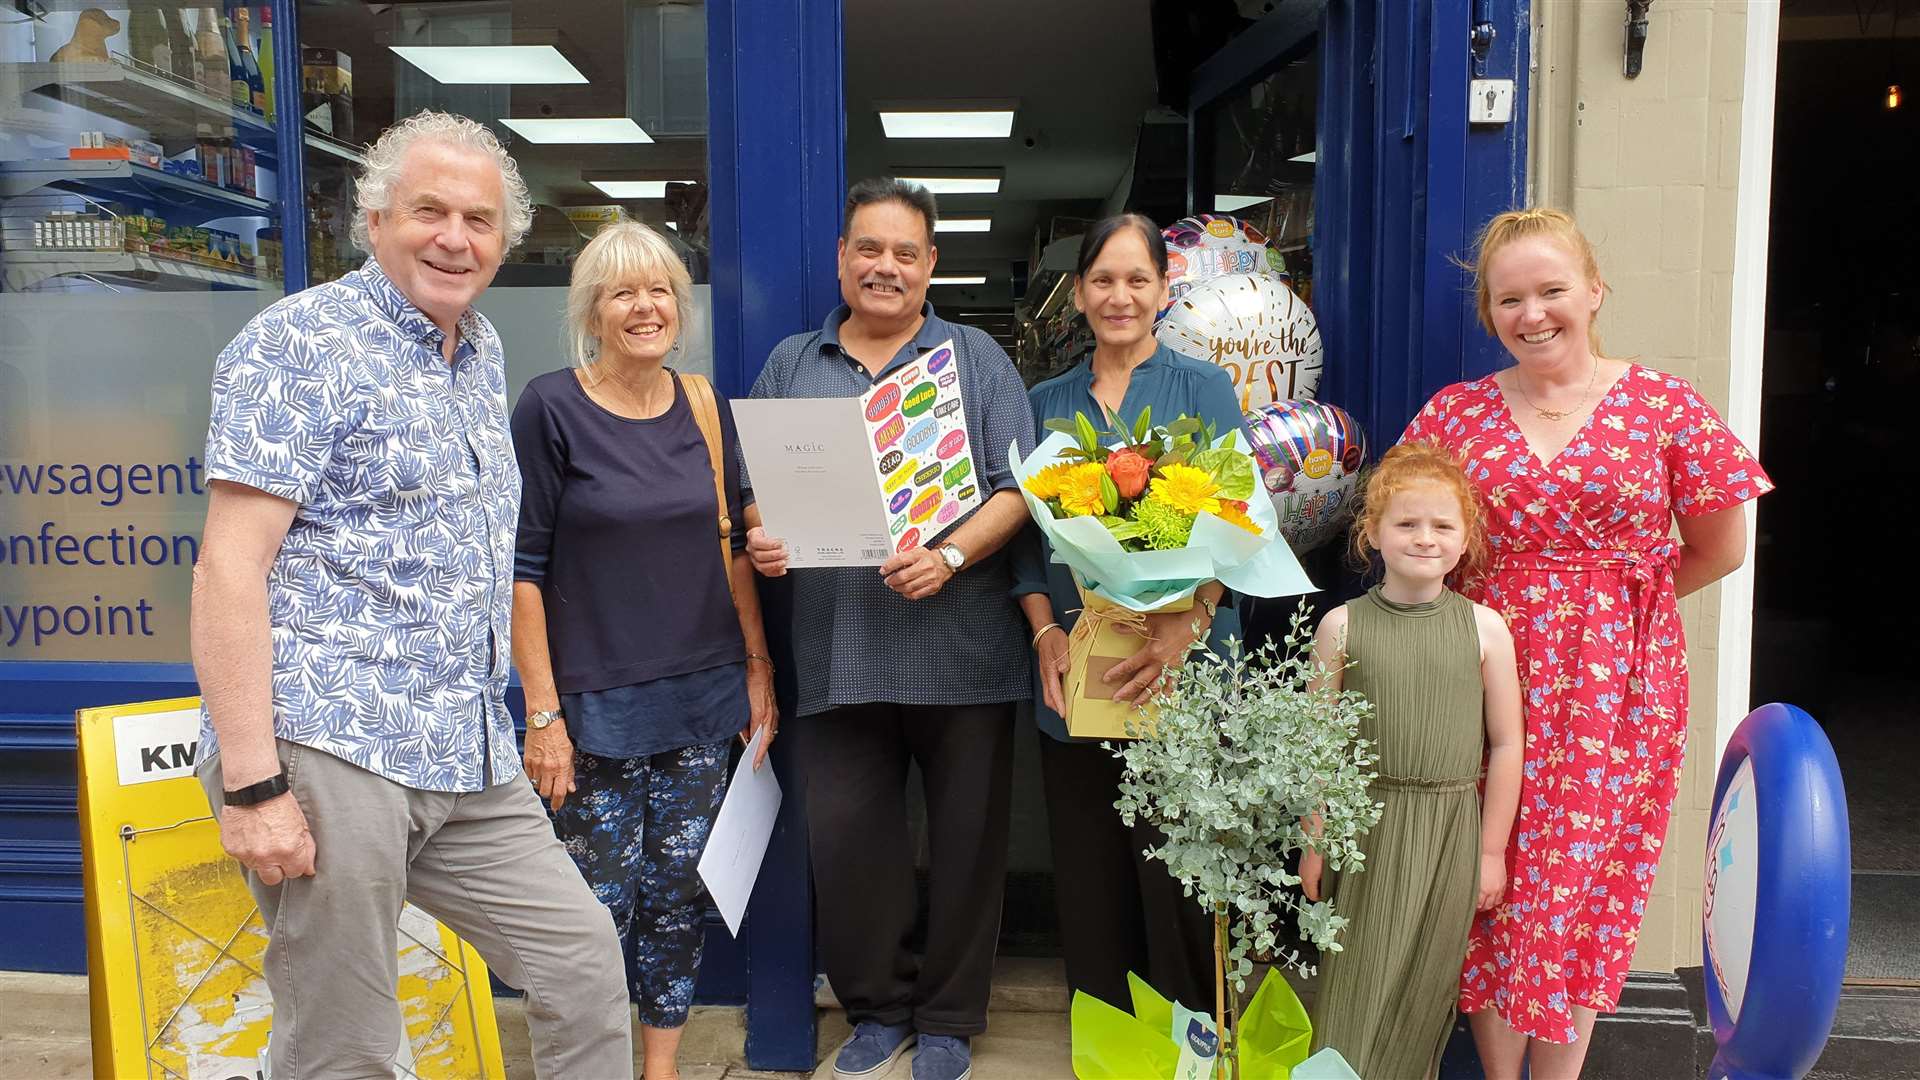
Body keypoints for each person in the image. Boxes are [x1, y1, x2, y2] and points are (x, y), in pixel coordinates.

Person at [189, 111, 633, 1078]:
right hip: (331, 741)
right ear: (376, 219)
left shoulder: (476, 354)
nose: (453, 237)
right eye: (428, 210)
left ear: (504, 241)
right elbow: (229, 568)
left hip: (461, 746)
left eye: (478, 220)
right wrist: (254, 784)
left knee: (582, 962)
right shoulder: (301, 344)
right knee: (344, 1038)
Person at [1401, 207, 1774, 1078]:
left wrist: (1611, 613)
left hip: (1618, 696)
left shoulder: (1662, 406)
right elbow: (1409, 530)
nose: (1532, 314)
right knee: (1487, 892)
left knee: (1580, 892)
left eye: (1551, 290)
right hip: (1483, 681)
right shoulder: (1454, 416)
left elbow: (1721, 545)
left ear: (1594, 292)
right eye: (1509, 299)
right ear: (1490, 312)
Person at [743, 178, 1035, 1080]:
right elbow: (752, 491)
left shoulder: (975, 359)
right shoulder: (793, 363)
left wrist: (949, 556)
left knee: (966, 844)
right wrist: (760, 536)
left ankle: (948, 1017)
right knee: (851, 850)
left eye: (906, 253)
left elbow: (1022, 489)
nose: (885, 267)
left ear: (931, 265)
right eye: (869, 249)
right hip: (837, 656)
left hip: (965, 654)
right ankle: (874, 1008)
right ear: (842, 257)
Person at [509, 221, 777, 1080]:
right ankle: (590, 1065)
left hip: (700, 699)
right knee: (591, 914)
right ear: (592, 309)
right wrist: (542, 713)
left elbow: (734, 544)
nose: (645, 306)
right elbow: (520, 572)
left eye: (660, 288)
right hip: (593, 711)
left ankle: (658, 1069)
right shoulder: (551, 407)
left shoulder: (704, 405)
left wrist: (757, 667)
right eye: (623, 291)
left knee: (676, 899)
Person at [1008, 213, 1244, 1012]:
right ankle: (1103, 1031)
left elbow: (1240, 520)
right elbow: (1022, 544)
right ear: (1078, 295)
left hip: (1181, 667)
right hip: (1079, 663)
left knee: (1176, 865)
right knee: (1088, 865)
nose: (1120, 296)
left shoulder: (1202, 388)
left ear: (1164, 290)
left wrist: (1192, 619)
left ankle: (1186, 1035)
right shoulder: (1043, 402)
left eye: (1137, 279)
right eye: (1102, 280)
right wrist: (1043, 628)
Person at [1299, 441, 1523, 1079]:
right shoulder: (1341, 628)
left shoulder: (1485, 629)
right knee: (1355, 980)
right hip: (1364, 829)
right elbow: (1320, 744)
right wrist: (1315, 838)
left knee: (1426, 992)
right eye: (1406, 523)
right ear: (1371, 534)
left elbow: (1507, 743)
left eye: (1442, 525)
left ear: (1466, 538)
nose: (1425, 538)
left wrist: (1490, 850)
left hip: (1451, 831)